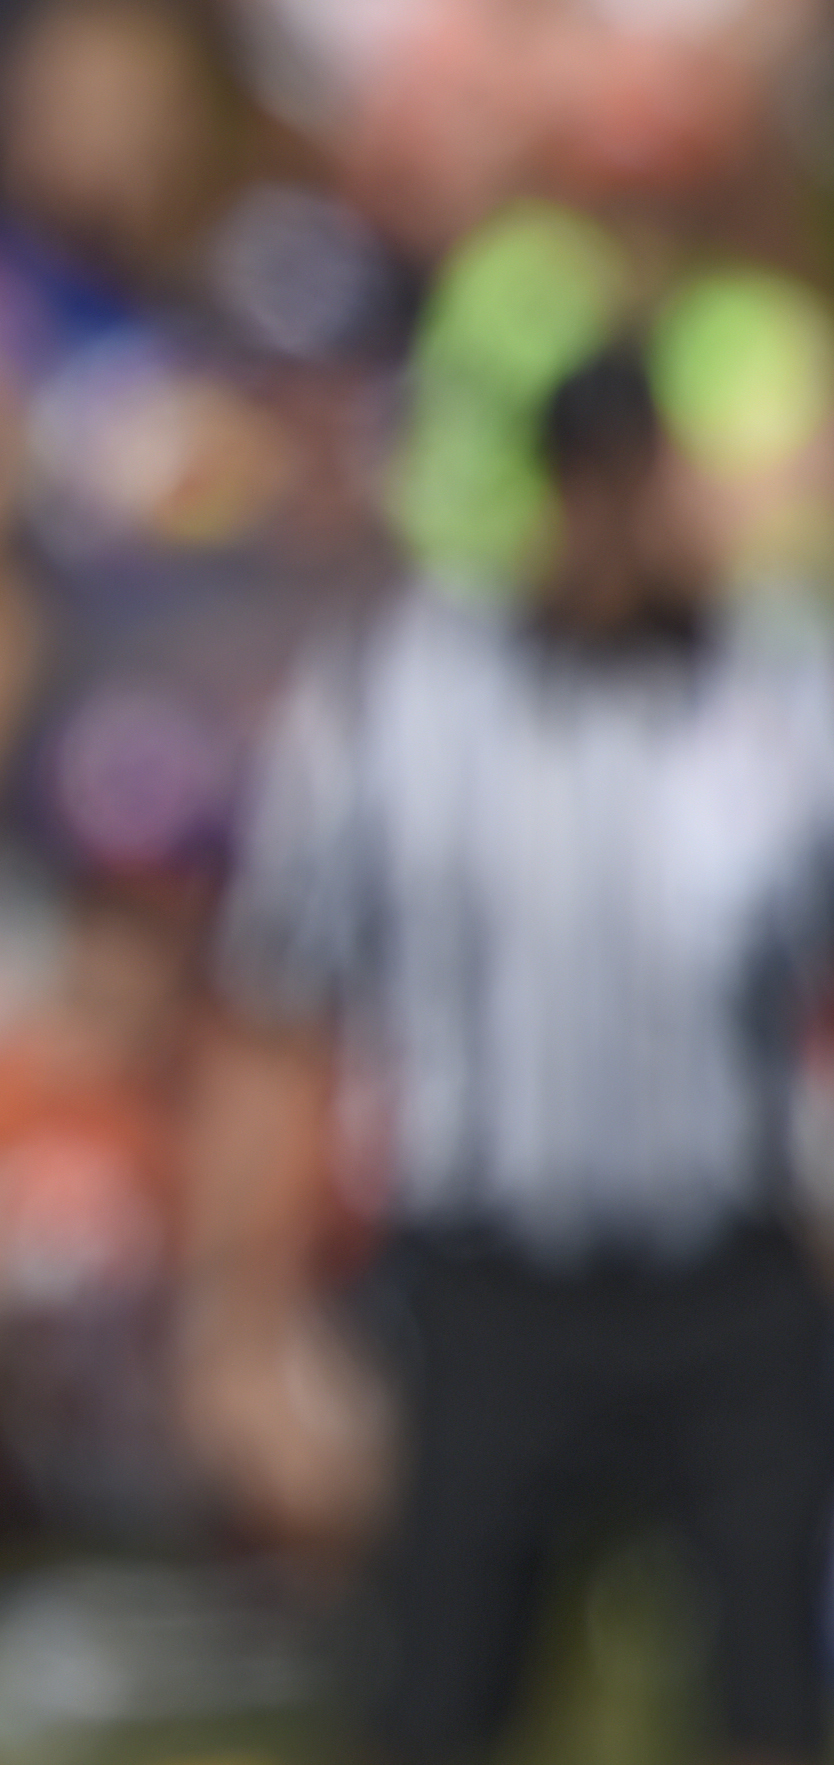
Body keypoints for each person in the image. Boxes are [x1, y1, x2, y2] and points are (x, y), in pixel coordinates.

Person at [192, 343, 834, 1765]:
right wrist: (242, 1314)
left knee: (772, 1701)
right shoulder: (396, 698)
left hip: (729, 1277)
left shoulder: (783, 699)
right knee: (436, 1694)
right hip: (486, 1279)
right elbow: (276, 1002)